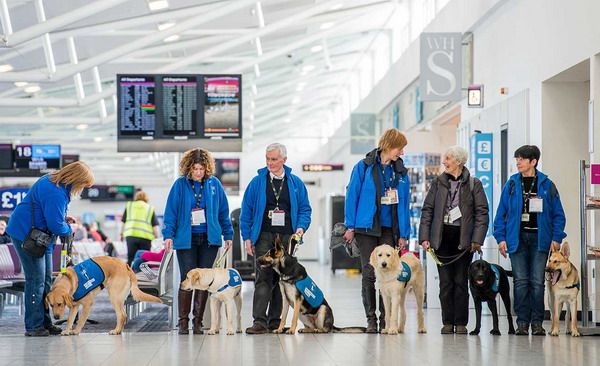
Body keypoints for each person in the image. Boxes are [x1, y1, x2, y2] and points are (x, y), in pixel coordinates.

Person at [6, 161, 94, 336]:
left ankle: (45, 322)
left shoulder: (54, 183)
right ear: (75, 179)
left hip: (40, 237)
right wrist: (68, 228)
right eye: (83, 184)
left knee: (46, 280)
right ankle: (34, 326)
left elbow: (51, 215)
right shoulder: (55, 191)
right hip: (27, 235)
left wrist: (63, 218)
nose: (82, 188)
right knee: (36, 280)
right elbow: (55, 225)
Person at [343, 128, 411, 333]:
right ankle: (371, 319)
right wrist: (350, 226)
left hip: (389, 228)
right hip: (366, 228)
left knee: (389, 274)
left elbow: (404, 203)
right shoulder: (363, 167)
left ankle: (387, 321)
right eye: (400, 148)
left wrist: (404, 234)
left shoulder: (400, 172)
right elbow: (351, 195)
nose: (402, 153)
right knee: (369, 274)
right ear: (389, 145)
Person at [494, 145, 566, 336]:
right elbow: (501, 214)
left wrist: (557, 238)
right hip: (516, 240)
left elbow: (559, 215)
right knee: (520, 282)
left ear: (533, 162)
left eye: (522, 159)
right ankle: (522, 323)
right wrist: (501, 238)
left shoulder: (547, 185)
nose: (518, 162)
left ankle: (537, 323)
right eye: (517, 158)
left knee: (537, 282)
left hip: (540, 240)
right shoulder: (511, 184)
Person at [241, 142, 312, 334]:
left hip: (287, 236)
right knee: (263, 277)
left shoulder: (295, 183)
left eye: (273, 159)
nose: (270, 163)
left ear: (284, 160)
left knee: (282, 278)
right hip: (263, 234)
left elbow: (305, 209)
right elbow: (246, 211)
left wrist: (300, 229)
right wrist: (247, 237)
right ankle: (259, 321)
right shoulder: (257, 182)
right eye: (267, 159)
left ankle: (275, 321)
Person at [162, 148, 234, 335]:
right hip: (186, 240)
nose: (198, 172)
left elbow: (223, 212)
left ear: (207, 168)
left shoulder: (214, 184)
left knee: (204, 281)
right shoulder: (179, 185)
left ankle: (198, 322)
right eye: (195, 169)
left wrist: (228, 235)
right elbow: (171, 212)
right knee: (187, 278)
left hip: (209, 240)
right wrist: (168, 234)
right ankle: (183, 322)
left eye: (201, 169)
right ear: (188, 168)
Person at [419, 145, 489, 334]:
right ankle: (447, 322)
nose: (444, 162)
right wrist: (424, 237)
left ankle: (461, 323)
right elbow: (428, 210)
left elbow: (482, 213)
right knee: (445, 283)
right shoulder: (437, 183)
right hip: (441, 239)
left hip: (463, 240)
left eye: (448, 158)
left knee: (460, 282)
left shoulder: (474, 184)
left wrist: (477, 240)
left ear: (459, 161)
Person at [121, 191, 161, 265]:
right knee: (143, 258)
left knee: (131, 257)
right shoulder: (149, 208)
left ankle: (129, 275)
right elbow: (155, 226)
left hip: (131, 235)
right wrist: (157, 237)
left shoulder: (129, 206)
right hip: (146, 237)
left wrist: (121, 234)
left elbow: (123, 222)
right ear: (146, 198)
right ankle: (140, 275)